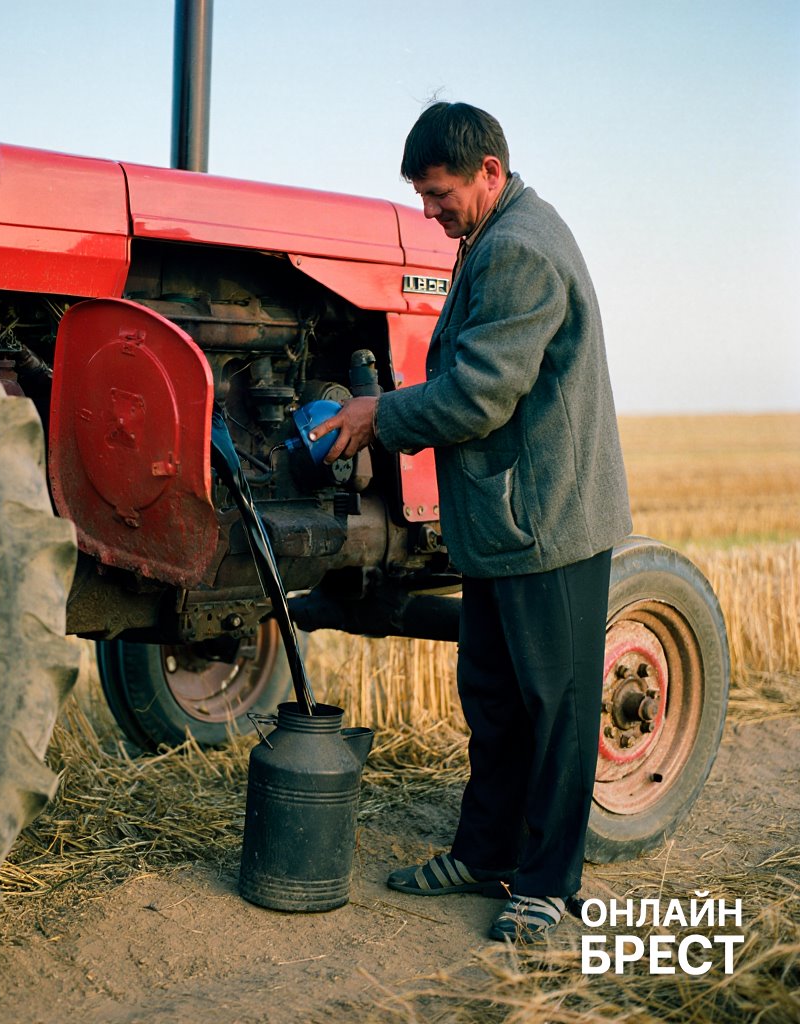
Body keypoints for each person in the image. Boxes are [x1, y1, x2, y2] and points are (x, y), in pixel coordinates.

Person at [308, 101, 632, 943]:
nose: (429, 211)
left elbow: (482, 393)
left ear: (490, 169)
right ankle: (484, 852)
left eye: (439, 192)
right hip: (502, 519)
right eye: (421, 195)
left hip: (545, 520)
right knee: (493, 697)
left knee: (555, 706)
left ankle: (549, 886)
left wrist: (380, 414)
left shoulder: (520, 248)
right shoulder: (489, 237)